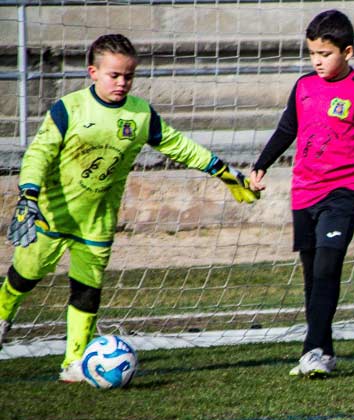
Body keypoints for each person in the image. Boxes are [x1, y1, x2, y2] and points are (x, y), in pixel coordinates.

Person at [0, 34, 259, 378]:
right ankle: (3, 315)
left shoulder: (139, 115)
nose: (122, 83)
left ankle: (74, 362)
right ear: (93, 72)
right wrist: (28, 193)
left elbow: (178, 145)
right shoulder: (69, 109)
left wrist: (222, 170)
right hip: (51, 212)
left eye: (128, 76)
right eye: (114, 75)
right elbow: (39, 153)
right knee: (25, 276)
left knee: (88, 289)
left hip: (98, 220)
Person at [250, 9, 354, 378]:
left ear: (347, 52)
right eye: (313, 53)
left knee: (329, 266)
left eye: (325, 53)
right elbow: (287, 130)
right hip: (304, 192)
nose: (317, 61)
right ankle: (323, 350)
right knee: (313, 276)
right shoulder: (302, 87)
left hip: (344, 192)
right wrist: (262, 164)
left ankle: (312, 349)